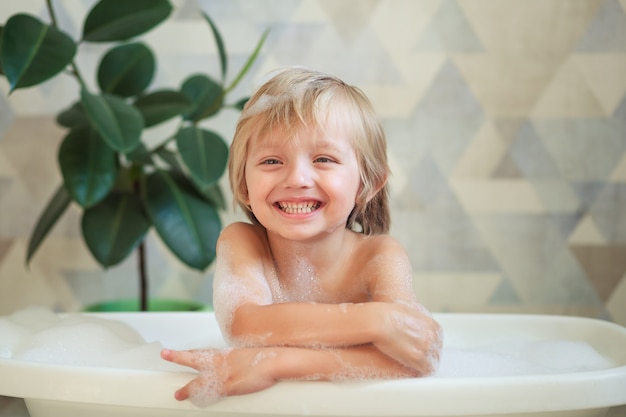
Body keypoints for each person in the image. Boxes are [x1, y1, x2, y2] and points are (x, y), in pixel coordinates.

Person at [161, 67, 443, 406]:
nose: (297, 178)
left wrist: (279, 363)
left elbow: (417, 357)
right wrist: (378, 320)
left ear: (367, 184)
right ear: (243, 186)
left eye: (324, 158)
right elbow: (244, 324)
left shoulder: (379, 255)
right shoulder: (243, 242)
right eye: (271, 160)